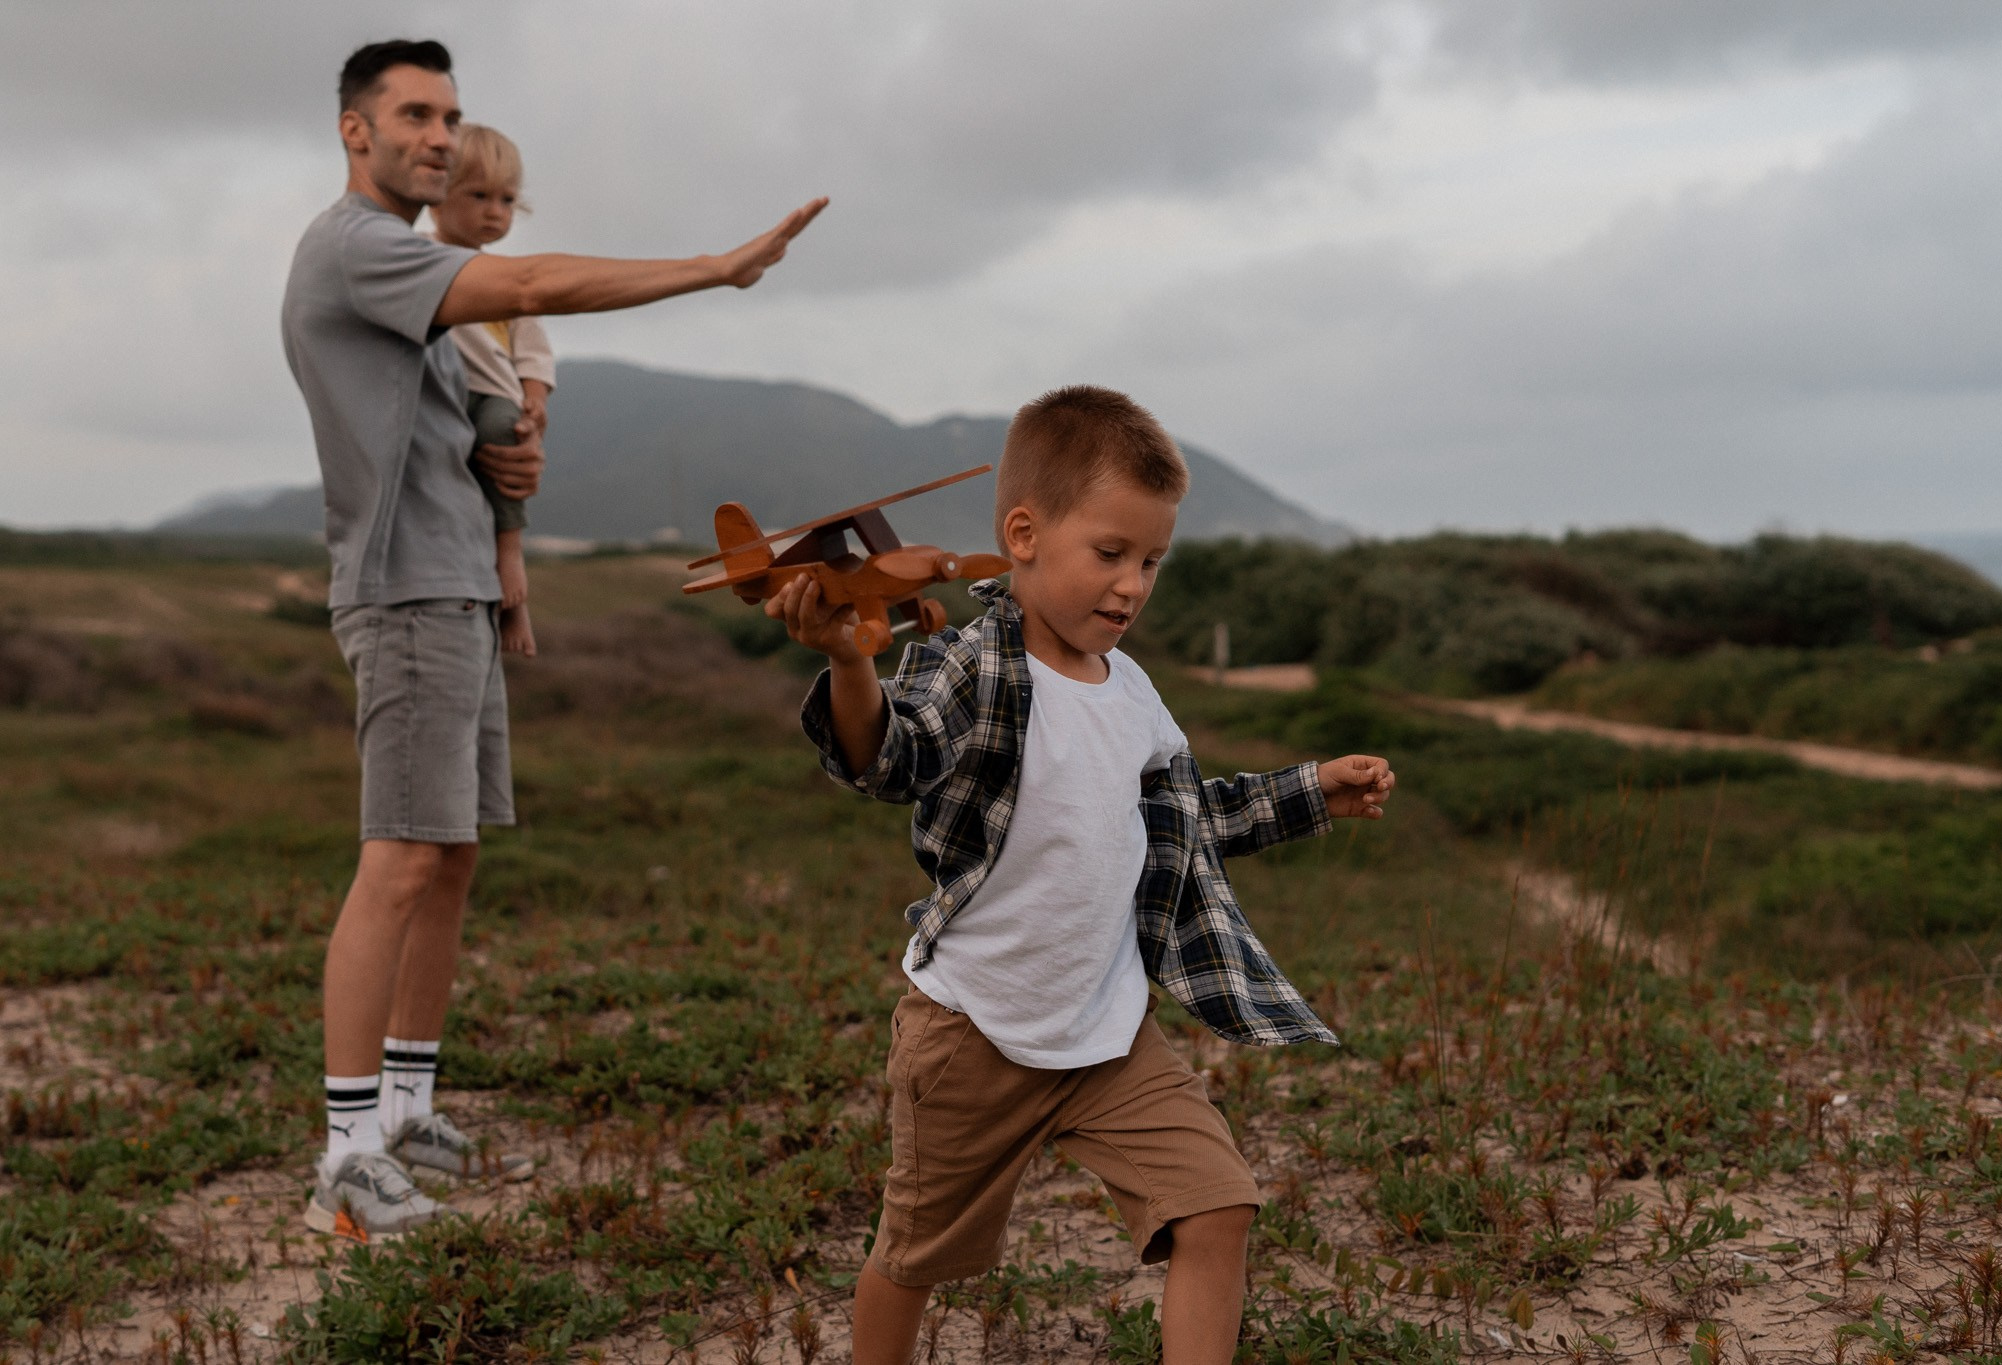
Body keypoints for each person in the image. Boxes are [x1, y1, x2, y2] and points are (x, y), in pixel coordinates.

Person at [281, 37, 825, 1244]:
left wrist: (504, 470)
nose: (437, 136)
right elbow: (531, 282)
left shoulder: (406, 264)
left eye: (449, 116)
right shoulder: (357, 246)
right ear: (355, 130)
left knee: (449, 858)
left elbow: (467, 416)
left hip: (457, 583)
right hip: (406, 592)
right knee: (399, 861)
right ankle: (345, 1155)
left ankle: (406, 1108)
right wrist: (715, 268)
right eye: (413, 115)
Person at [764, 385, 1396, 1365]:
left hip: (1107, 1036)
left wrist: (1308, 791)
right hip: (973, 1037)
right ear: (1023, 535)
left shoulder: (1133, 692)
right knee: (912, 1256)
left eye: (1151, 561)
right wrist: (852, 666)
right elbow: (891, 755)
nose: (1132, 585)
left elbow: (1185, 822)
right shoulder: (973, 665)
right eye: (1110, 553)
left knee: (1217, 1206)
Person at [430, 122, 551, 658]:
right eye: (478, 196)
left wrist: (535, 398)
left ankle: (511, 556)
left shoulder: (509, 278)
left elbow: (533, 349)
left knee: (505, 438)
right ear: (438, 196)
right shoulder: (418, 257)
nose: (494, 212)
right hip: (444, 390)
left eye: (506, 200)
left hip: (495, 395)